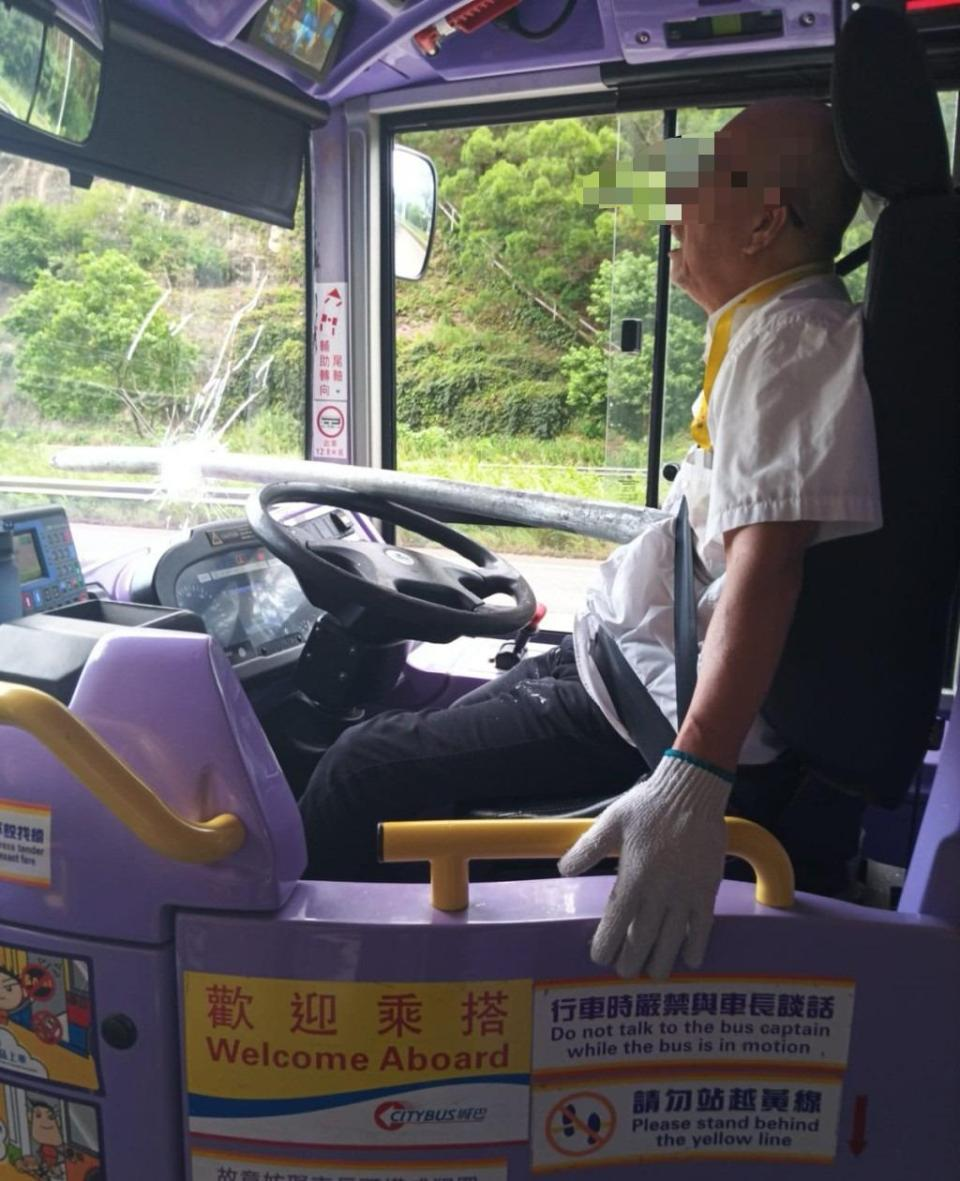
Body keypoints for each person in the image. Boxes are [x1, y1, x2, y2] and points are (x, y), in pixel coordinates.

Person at [298, 98, 879, 978]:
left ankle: (326, 1006)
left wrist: (692, 777)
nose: (675, 207)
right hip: (618, 664)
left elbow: (768, 568)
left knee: (355, 776)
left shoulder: (793, 339)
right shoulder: (766, 327)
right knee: (390, 744)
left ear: (764, 222)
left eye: (703, 185)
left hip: (643, 709)